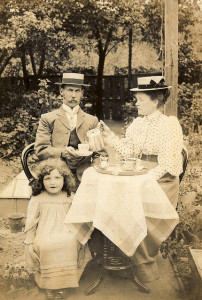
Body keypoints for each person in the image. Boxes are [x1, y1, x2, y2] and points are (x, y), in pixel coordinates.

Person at [100, 76, 184, 289]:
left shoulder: (169, 125)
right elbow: (129, 151)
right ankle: (122, 255)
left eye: (140, 99)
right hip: (141, 176)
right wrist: (110, 137)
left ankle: (144, 267)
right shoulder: (137, 124)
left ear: (155, 101)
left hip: (162, 180)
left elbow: (167, 164)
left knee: (140, 212)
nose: (135, 103)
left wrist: (143, 179)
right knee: (115, 202)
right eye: (135, 99)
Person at [24, 158, 92, 299]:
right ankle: (50, 286)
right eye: (47, 178)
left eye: (57, 178)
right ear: (41, 181)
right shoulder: (38, 199)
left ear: (64, 179)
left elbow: (79, 218)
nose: (53, 182)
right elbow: (30, 223)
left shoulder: (69, 197)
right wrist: (29, 242)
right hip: (45, 232)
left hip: (67, 231)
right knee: (45, 246)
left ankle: (64, 284)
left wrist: (82, 237)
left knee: (69, 243)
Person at [34, 72, 99, 181]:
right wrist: (62, 152)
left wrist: (92, 174)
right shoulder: (48, 119)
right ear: (61, 92)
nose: (73, 95)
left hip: (84, 177)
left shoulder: (92, 120)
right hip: (56, 176)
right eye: (70, 90)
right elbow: (41, 149)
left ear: (82, 93)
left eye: (77, 91)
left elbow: (99, 153)